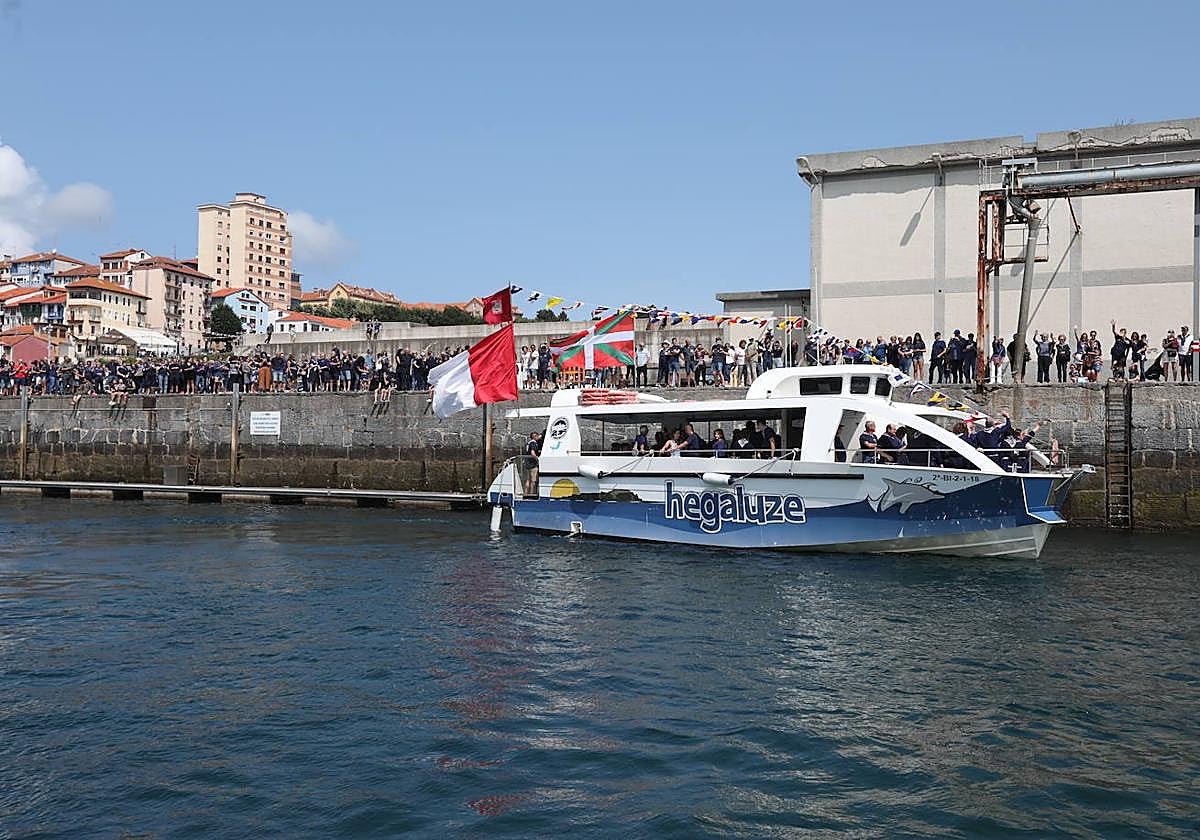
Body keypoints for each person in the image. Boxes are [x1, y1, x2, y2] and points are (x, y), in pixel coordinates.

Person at [523, 431, 542, 496]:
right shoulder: (534, 443)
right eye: (537, 436)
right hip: (532, 464)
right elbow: (533, 453)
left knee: (528, 480)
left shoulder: (528, 443)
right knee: (533, 481)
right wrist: (538, 459)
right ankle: (531, 494)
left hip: (527, 464)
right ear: (535, 437)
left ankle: (526, 494)